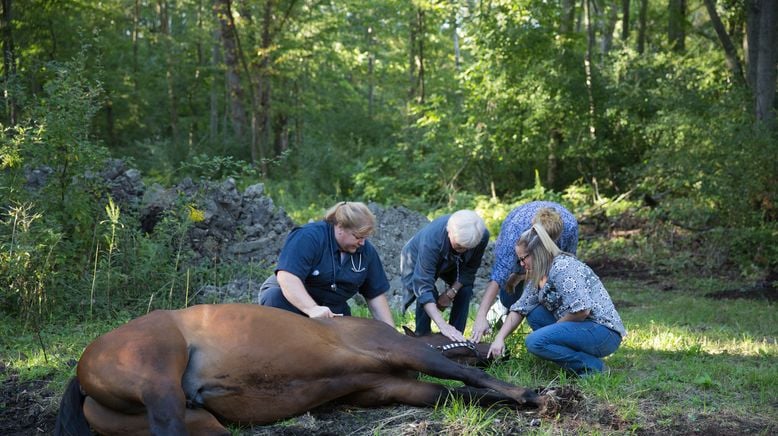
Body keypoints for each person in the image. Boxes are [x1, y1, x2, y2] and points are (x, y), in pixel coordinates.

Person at [487, 223, 626, 376]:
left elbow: (582, 311)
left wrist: (552, 331)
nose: (521, 264)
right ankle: (579, 361)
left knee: (534, 341)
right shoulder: (540, 274)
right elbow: (520, 308)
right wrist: (499, 338)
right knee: (534, 313)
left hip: (603, 332)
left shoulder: (563, 267)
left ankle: (593, 368)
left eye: (523, 258)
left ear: (537, 252)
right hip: (582, 327)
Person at [259, 201, 395, 326]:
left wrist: (392, 335)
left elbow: (375, 295)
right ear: (340, 227)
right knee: (274, 297)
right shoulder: (308, 237)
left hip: (333, 310)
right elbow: (287, 277)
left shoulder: (366, 252)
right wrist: (312, 309)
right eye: (358, 237)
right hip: (293, 302)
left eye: (365, 238)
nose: (362, 243)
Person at [471, 201, 578, 342]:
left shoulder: (569, 228)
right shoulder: (514, 232)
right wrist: (481, 316)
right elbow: (499, 275)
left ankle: (552, 340)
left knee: (541, 300)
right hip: (516, 229)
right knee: (509, 296)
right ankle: (499, 312)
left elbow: (565, 267)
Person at [401, 210, 489, 342]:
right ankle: (423, 337)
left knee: (465, 289)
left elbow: (469, 270)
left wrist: (450, 293)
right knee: (428, 293)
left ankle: (455, 338)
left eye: (467, 248)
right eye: (459, 246)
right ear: (449, 231)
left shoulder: (481, 236)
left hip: (454, 263)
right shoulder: (432, 240)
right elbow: (423, 287)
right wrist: (443, 326)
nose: (463, 251)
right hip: (417, 257)